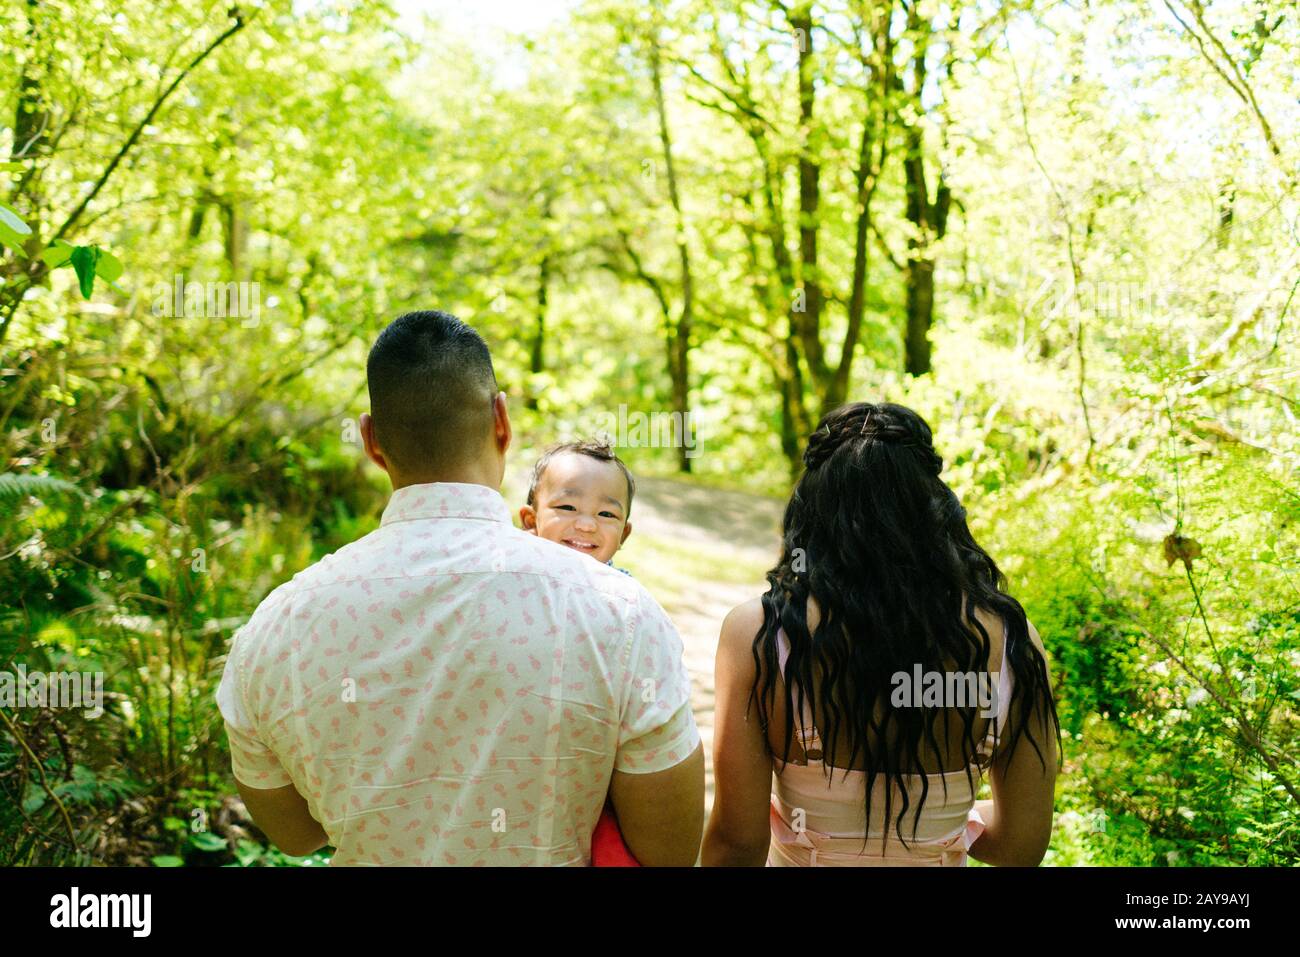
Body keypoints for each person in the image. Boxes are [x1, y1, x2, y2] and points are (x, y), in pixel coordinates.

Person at [216, 310, 704, 866]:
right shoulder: (620, 614)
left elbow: (296, 835)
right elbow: (669, 851)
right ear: (502, 421)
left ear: (372, 440)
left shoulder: (274, 628)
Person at [703, 401, 1060, 866]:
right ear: (936, 509)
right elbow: (1020, 848)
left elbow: (737, 843)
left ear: (810, 509)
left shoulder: (763, 636)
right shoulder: (1013, 643)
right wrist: (949, 824)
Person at [518, 439, 635, 575]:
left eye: (606, 514)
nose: (586, 526)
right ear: (531, 521)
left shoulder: (622, 590)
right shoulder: (514, 570)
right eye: (567, 507)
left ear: (622, 535)